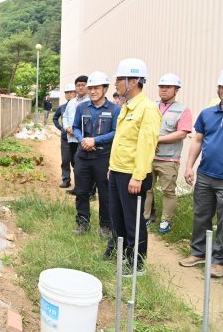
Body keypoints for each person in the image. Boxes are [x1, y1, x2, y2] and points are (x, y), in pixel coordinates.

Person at [104, 58, 160, 275]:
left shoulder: (147, 109)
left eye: (120, 79)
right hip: (118, 171)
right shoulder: (127, 107)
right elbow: (120, 142)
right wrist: (111, 166)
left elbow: (146, 146)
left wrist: (138, 176)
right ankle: (122, 255)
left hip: (132, 176)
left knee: (133, 221)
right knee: (116, 217)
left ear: (134, 81)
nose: (116, 84)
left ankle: (136, 264)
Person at [179, 70, 223, 278]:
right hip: (205, 174)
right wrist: (189, 167)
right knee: (201, 215)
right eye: (222, 88)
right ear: (218, 90)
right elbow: (197, 140)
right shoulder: (207, 114)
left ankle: (218, 260)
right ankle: (199, 252)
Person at [71, 71, 120, 238]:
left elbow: (116, 132)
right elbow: (76, 127)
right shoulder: (82, 107)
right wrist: (82, 140)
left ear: (105, 89)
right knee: (81, 191)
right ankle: (82, 223)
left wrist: (95, 141)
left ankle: (105, 226)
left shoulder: (115, 110)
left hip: (103, 158)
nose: (92, 91)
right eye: (90, 88)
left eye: (96, 88)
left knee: (105, 194)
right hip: (83, 156)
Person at [143, 73, 192, 233]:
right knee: (147, 188)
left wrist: (157, 139)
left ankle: (166, 222)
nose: (163, 90)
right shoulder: (151, 106)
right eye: (161, 87)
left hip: (169, 159)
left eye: (168, 87)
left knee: (168, 191)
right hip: (148, 156)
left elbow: (182, 133)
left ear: (176, 90)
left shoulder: (183, 110)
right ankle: (146, 217)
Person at [62, 75, 89, 195]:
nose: (80, 87)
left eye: (83, 85)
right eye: (78, 85)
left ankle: (89, 191)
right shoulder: (71, 102)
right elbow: (65, 116)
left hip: (84, 139)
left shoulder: (90, 102)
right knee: (74, 163)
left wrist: (78, 130)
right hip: (71, 139)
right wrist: (67, 127)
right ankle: (78, 188)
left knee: (85, 165)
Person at [53, 84, 76, 188]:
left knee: (76, 161)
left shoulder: (78, 106)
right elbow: (55, 118)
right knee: (65, 160)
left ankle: (79, 183)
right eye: (67, 92)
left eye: (71, 92)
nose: (69, 94)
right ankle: (66, 180)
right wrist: (61, 128)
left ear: (75, 93)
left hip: (77, 139)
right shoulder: (62, 107)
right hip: (65, 138)